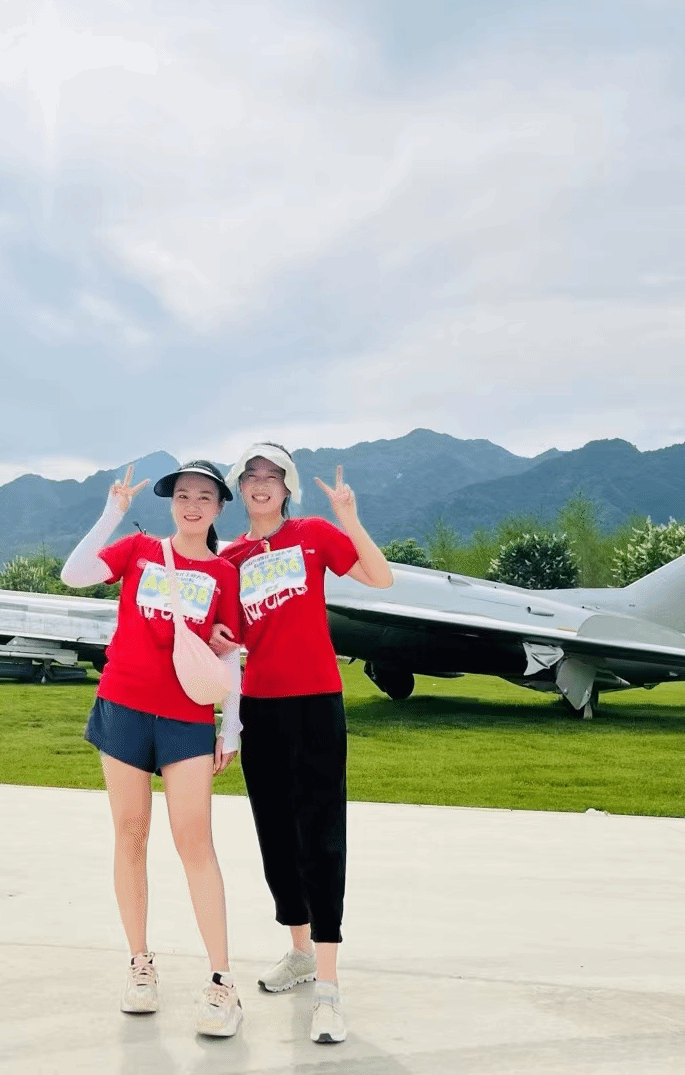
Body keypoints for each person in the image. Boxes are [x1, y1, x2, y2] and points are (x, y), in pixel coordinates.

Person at [213, 443, 393, 1045]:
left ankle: (330, 988)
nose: (261, 483)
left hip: (316, 701)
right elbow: (229, 643)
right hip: (260, 708)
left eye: (273, 475)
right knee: (275, 834)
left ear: (287, 486)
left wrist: (350, 517)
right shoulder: (230, 558)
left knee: (321, 835)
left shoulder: (313, 534)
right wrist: (227, 714)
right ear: (240, 488)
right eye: (251, 476)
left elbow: (380, 577)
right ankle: (299, 952)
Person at [60, 460, 245, 1038]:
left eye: (204, 497)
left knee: (195, 843)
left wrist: (231, 727)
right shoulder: (139, 550)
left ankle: (222, 982)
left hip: (187, 718)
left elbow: (231, 654)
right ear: (171, 503)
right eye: (183, 495)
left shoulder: (223, 571)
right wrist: (111, 512)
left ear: (219, 507)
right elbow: (74, 574)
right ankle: (140, 964)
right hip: (123, 706)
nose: (192, 505)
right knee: (131, 834)